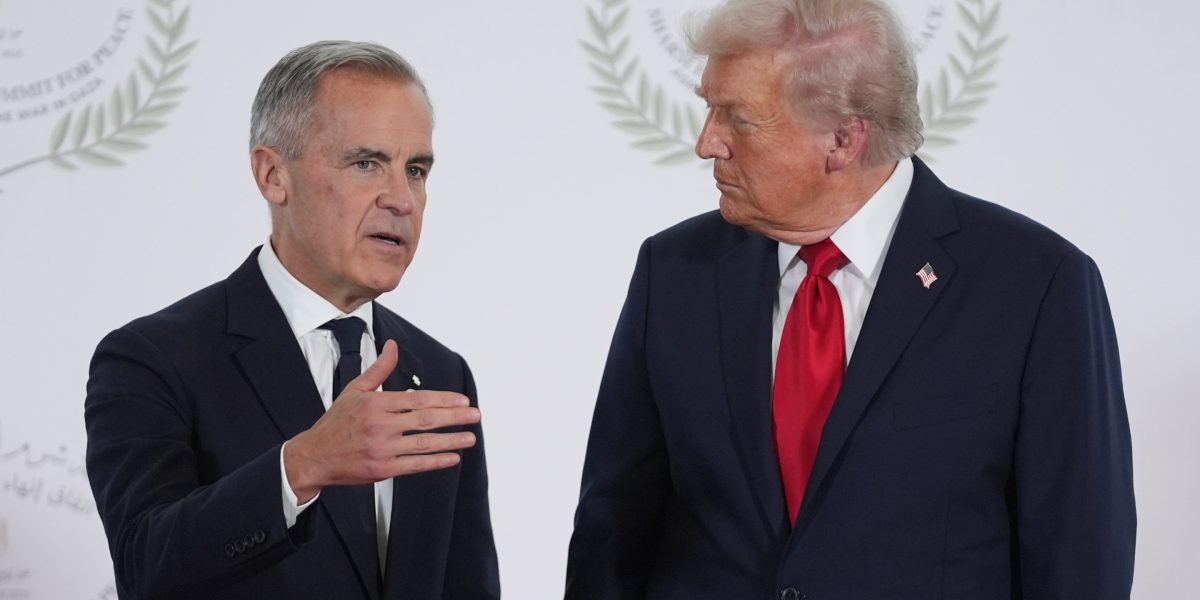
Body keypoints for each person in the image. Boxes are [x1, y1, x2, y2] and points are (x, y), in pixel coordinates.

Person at [565, 1, 1135, 598]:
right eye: (709, 108)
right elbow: (612, 536)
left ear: (843, 139)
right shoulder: (673, 272)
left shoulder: (1035, 286)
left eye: (738, 118)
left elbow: (1079, 560)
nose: (707, 143)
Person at [85, 41, 500, 599]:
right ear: (273, 175)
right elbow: (145, 567)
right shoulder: (154, 359)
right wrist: (302, 465)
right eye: (366, 163)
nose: (402, 199)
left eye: (416, 170)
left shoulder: (441, 373)